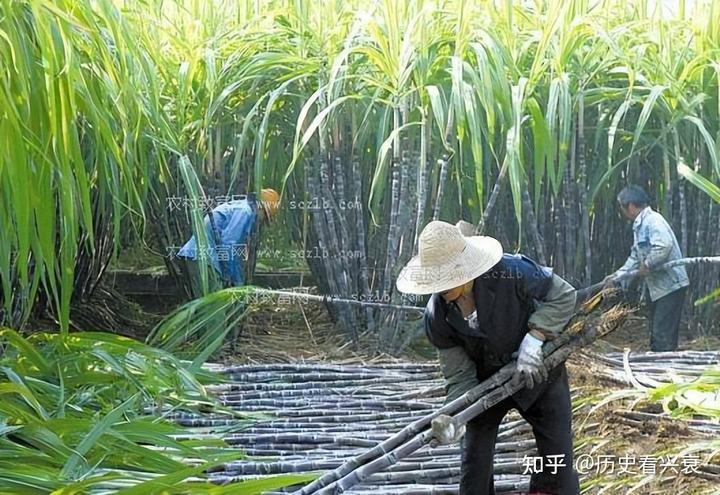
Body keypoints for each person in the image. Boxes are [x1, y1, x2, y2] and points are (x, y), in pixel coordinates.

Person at [396, 221, 580, 495]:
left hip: (538, 375)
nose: (439, 288)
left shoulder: (512, 271)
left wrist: (537, 336)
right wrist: (453, 416)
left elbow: (564, 295)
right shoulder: (437, 315)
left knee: (557, 465)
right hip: (483, 389)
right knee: (474, 467)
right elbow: (458, 376)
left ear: (463, 268)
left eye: (445, 277)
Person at [604, 185, 689, 351]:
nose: (621, 211)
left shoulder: (653, 221)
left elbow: (664, 245)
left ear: (630, 206)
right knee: (659, 331)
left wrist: (648, 263)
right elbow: (635, 258)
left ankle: (664, 368)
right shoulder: (640, 225)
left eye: (621, 207)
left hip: (671, 285)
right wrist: (615, 277)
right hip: (659, 287)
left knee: (661, 333)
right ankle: (665, 364)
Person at [178, 188, 280, 297]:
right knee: (215, 307)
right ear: (261, 208)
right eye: (265, 218)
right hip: (204, 260)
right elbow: (230, 246)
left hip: (195, 256)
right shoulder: (246, 212)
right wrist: (237, 282)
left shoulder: (240, 207)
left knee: (203, 307)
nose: (262, 222)